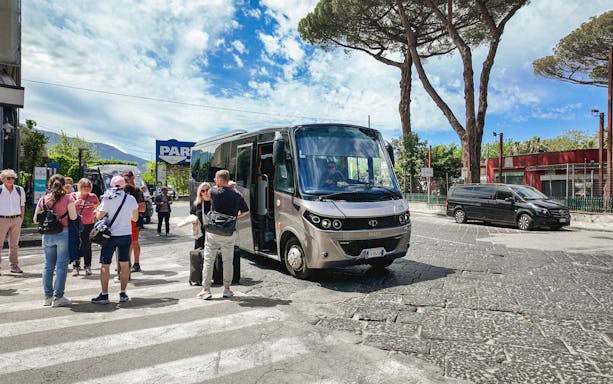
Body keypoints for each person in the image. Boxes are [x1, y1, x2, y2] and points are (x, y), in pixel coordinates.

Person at [197, 170, 249, 300]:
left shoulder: (214, 191)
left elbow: (207, 195)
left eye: (216, 179)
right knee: (227, 261)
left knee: (209, 261)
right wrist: (235, 216)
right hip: (228, 232)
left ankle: (206, 290)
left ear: (220, 180)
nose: (214, 181)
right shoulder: (237, 195)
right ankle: (227, 289)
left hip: (213, 232)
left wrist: (225, 185)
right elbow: (246, 211)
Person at [91, 175, 138, 304]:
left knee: (105, 265)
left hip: (109, 236)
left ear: (111, 185)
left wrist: (97, 211)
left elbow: (100, 216)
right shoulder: (131, 198)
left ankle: (105, 295)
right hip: (125, 234)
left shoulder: (107, 198)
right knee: (124, 264)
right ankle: (123, 293)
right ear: (124, 186)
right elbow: (135, 218)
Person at [33, 174, 77, 307]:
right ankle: (58, 297)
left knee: (48, 266)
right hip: (63, 233)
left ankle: (47, 296)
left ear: (49, 185)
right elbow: (74, 217)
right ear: (64, 185)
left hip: (46, 235)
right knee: (61, 267)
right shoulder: (68, 198)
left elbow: (35, 220)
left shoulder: (43, 199)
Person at [71, 178, 100, 276]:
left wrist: (96, 213)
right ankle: (76, 266)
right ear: (79, 187)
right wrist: (75, 204)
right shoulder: (73, 196)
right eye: (84, 186)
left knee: (87, 245)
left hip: (89, 223)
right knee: (76, 244)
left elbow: (98, 207)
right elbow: (68, 208)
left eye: (88, 186)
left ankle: (88, 266)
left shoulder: (93, 196)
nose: (86, 188)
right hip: (76, 223)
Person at [0, 169, 26, 274]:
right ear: (2, 179)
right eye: (8, 178)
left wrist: (21, 219)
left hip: (16, 219)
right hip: (2, 219)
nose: (11, 180)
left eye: (13, 178)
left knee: (14, 244)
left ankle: (14, 265)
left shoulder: (20, 190)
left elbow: (22, 205)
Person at [122, 171, 145, 272]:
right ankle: (126, 263)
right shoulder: (122, 190)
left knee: (133, 242)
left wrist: (130, 209)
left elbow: (142, 208)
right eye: (124, 178)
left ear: (133, 178)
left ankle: (136, 263)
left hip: (134, 220)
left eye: (128, 178)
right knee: (127, 242)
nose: (126, 180)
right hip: (124, 220)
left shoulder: (137, 190)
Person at [191, 182, 211, 249]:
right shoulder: (197, 204)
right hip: (200, 233)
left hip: (213, 233)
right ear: (200, 192)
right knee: (199, 253)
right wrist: (193, 222)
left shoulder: (215, 202)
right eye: (203, 190)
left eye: (207, 190)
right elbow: (192, 214)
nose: (205, 192)